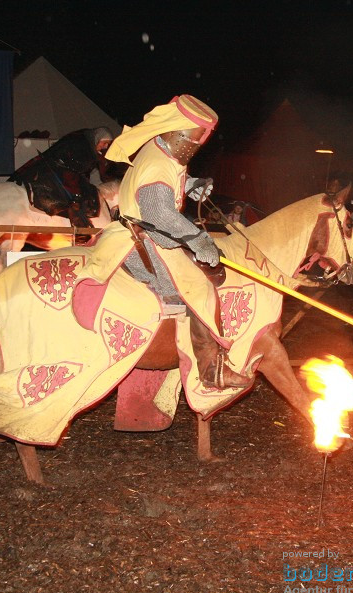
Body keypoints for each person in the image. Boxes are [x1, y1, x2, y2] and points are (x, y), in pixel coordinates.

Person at [86, 94, 251, 390]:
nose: (199, 144)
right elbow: (159, 213)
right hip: (143, 242)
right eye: (197, 138)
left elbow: (169, 176)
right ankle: (211, 368)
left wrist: (192, 185)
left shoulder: (159, 148)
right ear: (180, 133)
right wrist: (198, 238)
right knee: (199, 288)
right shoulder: (158, 165)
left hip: (146, 233)